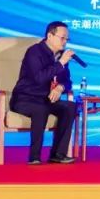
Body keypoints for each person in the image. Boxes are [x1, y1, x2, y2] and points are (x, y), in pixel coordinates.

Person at [9, 21, 78, 165]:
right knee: (41, 109)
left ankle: (58, 154)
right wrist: (60, 63)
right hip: (25, 99)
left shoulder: (61, 56)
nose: (65, 42)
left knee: (70, 107)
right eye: (62, 38)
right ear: (50, 36)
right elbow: (39, 78)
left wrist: (60, 87)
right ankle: (34, 157)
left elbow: (67, 81)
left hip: (46, 100)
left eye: (67, 39)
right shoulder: (34, 52)